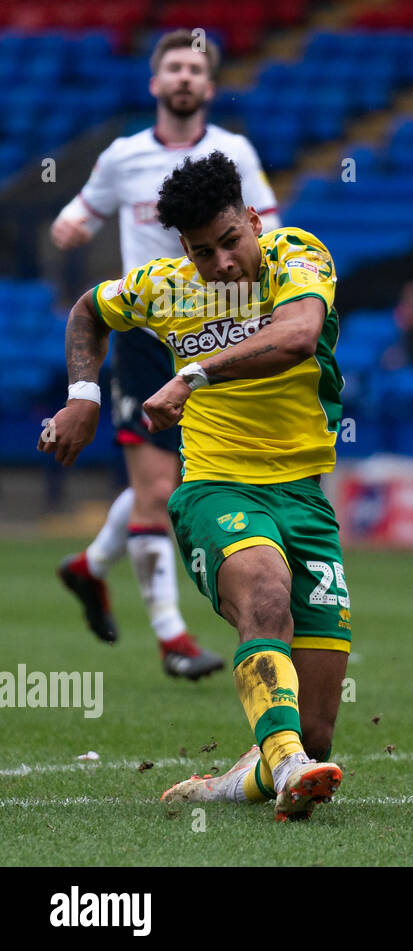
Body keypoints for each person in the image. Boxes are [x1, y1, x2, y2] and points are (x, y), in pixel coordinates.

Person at [39, 151, 347, 821]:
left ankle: (239, 780)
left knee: (316, 730)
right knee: (266, 594)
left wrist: (192, 374)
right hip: (217, 489)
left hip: (305, 498)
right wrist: (84, 396)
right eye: (204, 252)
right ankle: (288, 763)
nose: (224, 263)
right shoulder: (166, 284)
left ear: (255, 221)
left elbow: (298, 336)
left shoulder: (297, 254)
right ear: (184, 248)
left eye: (232, 240)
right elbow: (89, 310)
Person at [50, 29, 279, 680]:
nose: (183, 77)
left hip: (220, 336)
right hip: (148, 338)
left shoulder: (232, 151)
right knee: (155, 489)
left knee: (173, 483)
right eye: (172, 67)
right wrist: (70, 225)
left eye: (195, 68)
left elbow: (270, 221)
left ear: (209, 86)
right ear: (155, 83)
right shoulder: (123, 157)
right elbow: (78, 216)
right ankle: (173, 640)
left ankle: (90, 566)